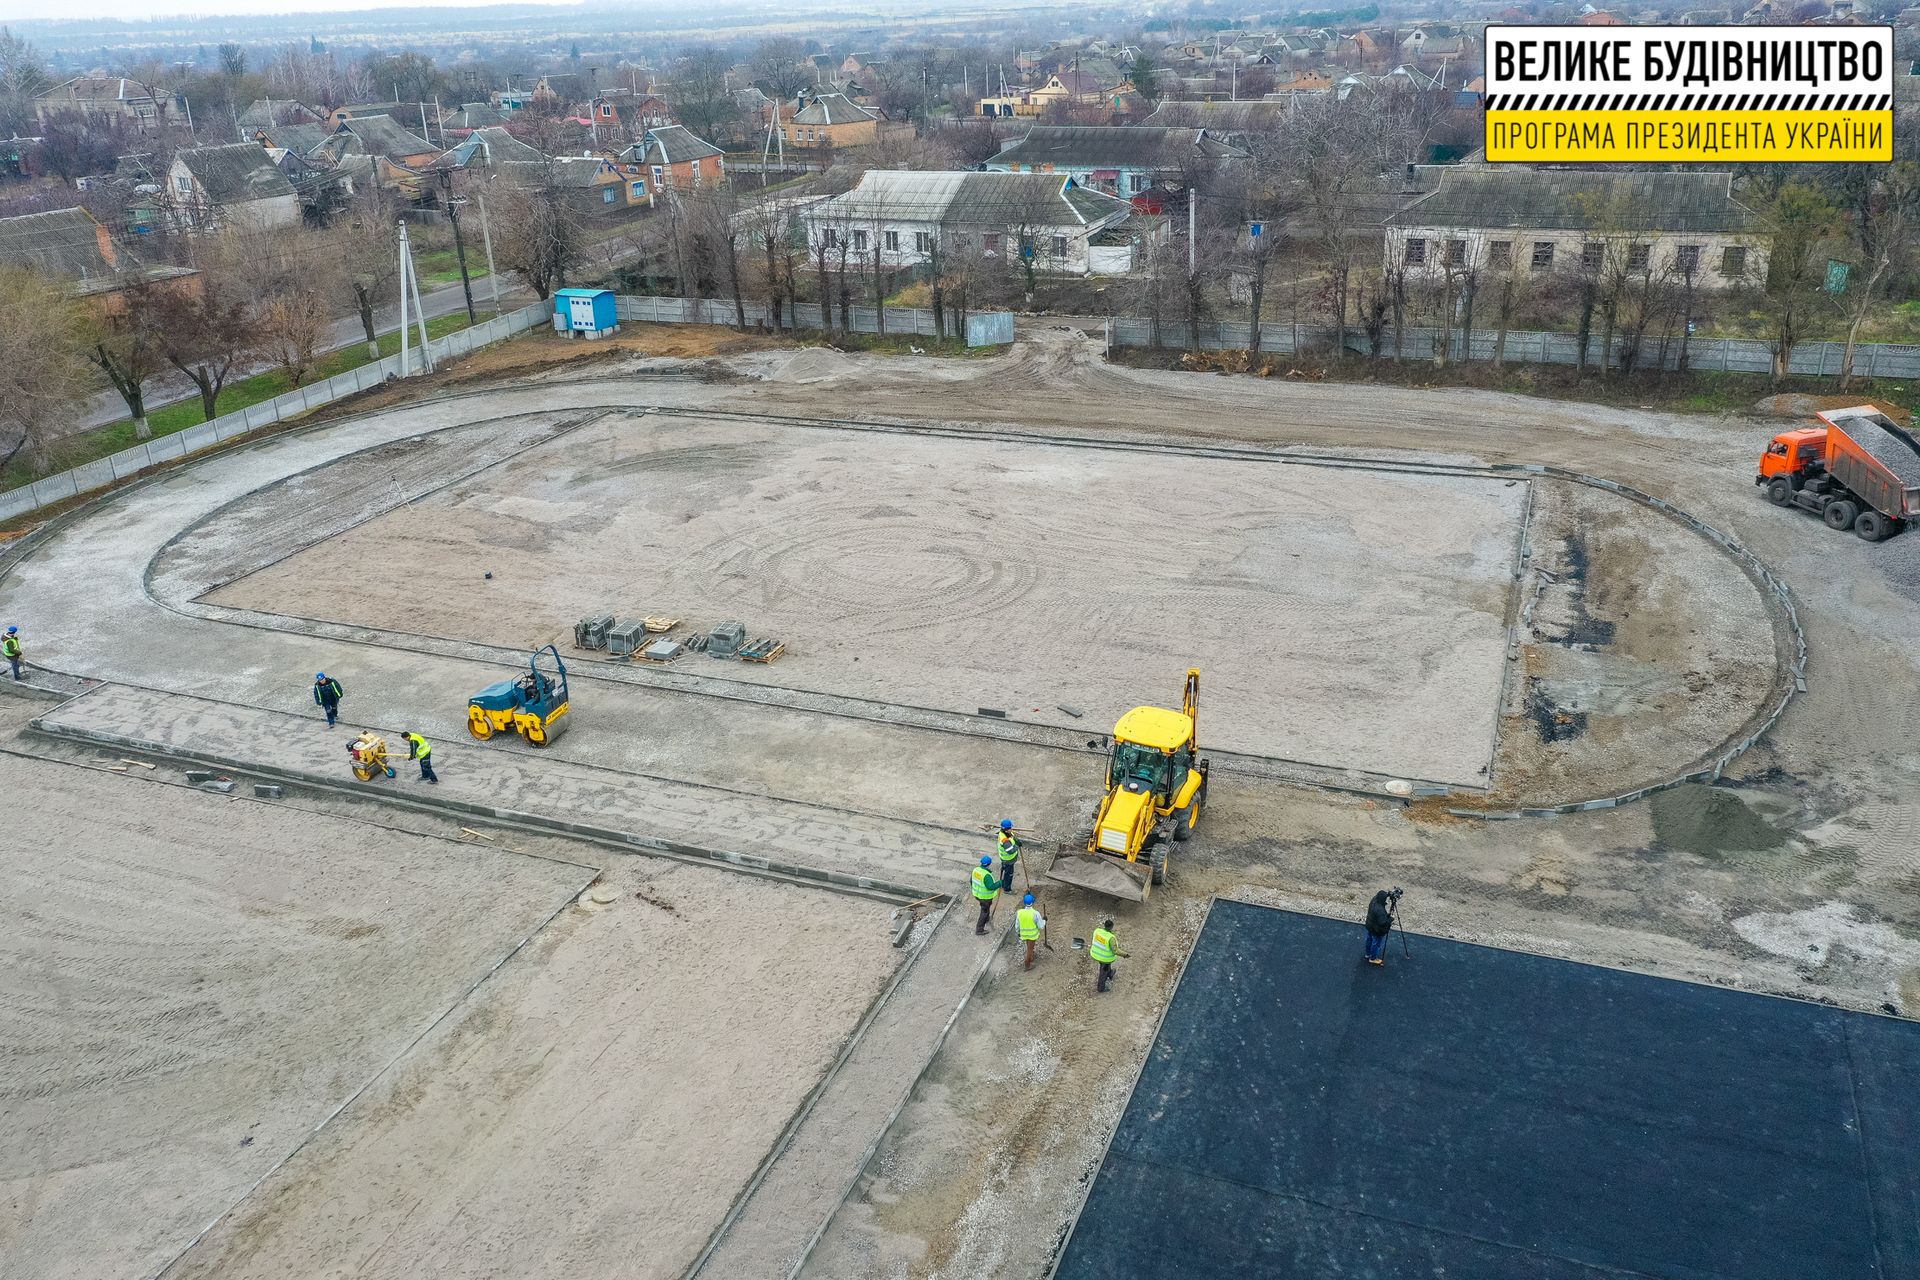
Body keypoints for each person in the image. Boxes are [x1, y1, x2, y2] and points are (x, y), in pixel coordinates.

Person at [1089, 918, 1126, 992]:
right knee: (1103, 973)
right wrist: (1125, 954)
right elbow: (1115, 950)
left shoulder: (1097, 931)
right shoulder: (1111, 938)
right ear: (1111, 927)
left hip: (1095, 954)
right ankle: (1101, 988)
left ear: (1104, 925)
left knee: (1105, 967)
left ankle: (1110, 973)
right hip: (1105, 959)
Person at [1364, 889, 1395, 966]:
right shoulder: (1380, 910)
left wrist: (1388, 894)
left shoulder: (1374, 900)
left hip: (1370, 925)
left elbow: (1380, 895)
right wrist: (1391, 918)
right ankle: (1373, 959)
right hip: (1376, 929)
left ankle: (1367, 954)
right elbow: (1383, 923)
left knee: (1369, 939)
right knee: (1376, 943)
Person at [971, 856, 1001, 934]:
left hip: (977, 895)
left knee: (985, 908)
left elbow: (971, 880)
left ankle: (987, 918)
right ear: (989, 864)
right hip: (985, 897)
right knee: (984, 912)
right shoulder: (986, 875)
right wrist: (1000, 883)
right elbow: (991, 887)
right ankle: (979, 930)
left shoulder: (976, 870)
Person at [1015, 893, 1046, 970]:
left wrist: (1018, 932)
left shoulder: (1020, 912)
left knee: (1029, 946)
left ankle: (1031, 957)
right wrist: (1044, 920)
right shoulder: (1035, 913)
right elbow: (1041, 926)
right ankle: (1027, 964)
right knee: (1030, 949)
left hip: (1024, 934)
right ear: (1032, 902)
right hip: (1032, 935)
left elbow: (1017, 925)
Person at [996, 818, 1022, 894]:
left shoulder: (1005, 832)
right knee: (1009, 874)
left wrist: (1017, 841)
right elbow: (1010, 851)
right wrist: (1017, 846)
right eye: (1011, 828)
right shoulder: (1005, 840)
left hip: (1005, 859)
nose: (1012, 829)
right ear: (1007, 829)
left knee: (1004, 870)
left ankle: (1002, 883)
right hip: (1008, 860)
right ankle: (1007, 889)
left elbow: (1012, 837)